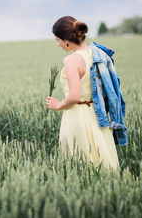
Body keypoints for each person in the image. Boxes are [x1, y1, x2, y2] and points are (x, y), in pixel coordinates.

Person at [46, 16, 120, 170]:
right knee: (102, 159)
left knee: (80, 164)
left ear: (67, 39)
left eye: (58, 40)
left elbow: (74, 96)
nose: (58, 44)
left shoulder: (71, 60)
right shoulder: (96, 53)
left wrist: (58, 104)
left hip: (77, 117)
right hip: (97, 114)